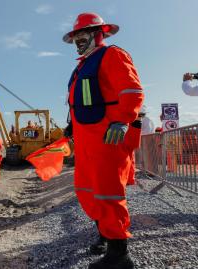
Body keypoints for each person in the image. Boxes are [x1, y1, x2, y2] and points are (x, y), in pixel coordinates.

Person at [63, 12, 143, 268]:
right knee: (88, 192)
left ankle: (120, 255)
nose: (78, 42)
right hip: (87, 142)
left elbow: (132, 91)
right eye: (76, 37)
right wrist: (70, 127)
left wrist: (122, 120)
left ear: (99, 34)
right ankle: (105, 233)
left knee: (108, 194)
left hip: (107, 139)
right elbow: (81, 102)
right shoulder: (82, 67)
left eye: (82, 35)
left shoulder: (112, 55)